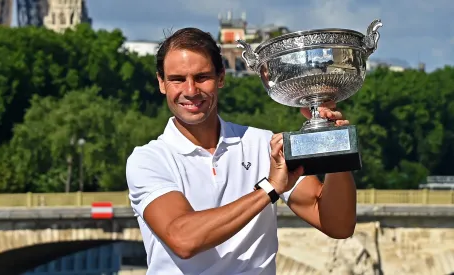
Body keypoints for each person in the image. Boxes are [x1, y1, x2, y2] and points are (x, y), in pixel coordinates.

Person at [126, 27, 357, 275]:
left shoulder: (262, 144)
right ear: (161, 83)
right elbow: (183, 239)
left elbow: (338, 225)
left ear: (221, 77)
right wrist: (269, 189)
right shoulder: (148, 159)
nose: (191, 90)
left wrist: (334, 147)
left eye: (202, 77)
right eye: (178, 79)